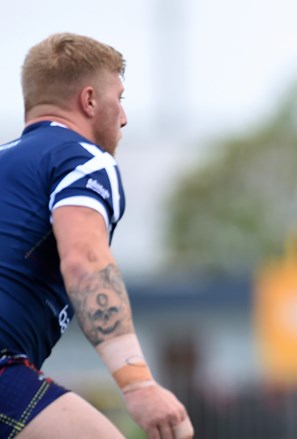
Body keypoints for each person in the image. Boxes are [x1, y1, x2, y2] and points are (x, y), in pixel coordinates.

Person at [0, 33, 193, 438]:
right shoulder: (83, 159)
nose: (123, 116)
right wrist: (138, 384)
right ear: (89, 101)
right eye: (119, 98)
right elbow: (85, 260)